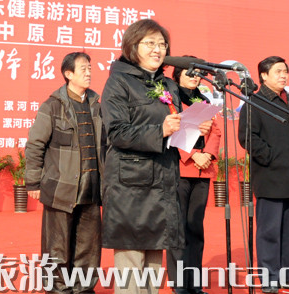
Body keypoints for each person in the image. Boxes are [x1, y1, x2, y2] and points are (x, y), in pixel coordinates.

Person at [101, 20, 211, 294]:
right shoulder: (118, 81)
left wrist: (191, 129)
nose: (157, 49)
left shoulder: (167, 85)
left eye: (162, 44)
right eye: (150, 43)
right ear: (132, 46)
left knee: (153, 264)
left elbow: (174, 136)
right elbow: (116, 132)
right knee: (132, 263)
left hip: (163, 182)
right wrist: (160, 130)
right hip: (130, 186)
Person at [24, 52, 105, 294]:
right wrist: (33, 183)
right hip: (61, 188)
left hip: (91, 188)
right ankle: (57, 289)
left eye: (90, 68)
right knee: (56, 247)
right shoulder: (52, 106)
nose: (88, 72)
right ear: (68, 74)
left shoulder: (97, 106)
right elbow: (35, 145)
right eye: (83, 68)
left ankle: (84, 289)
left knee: (88, 247)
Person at [238, 56, 289, 293]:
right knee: (269, 231)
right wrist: (270, 158)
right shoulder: (255, 102)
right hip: (270, 176)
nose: (283, 75)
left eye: (285, 71)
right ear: (263, 75)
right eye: (278, 71)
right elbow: (247, 137)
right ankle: (269, 278)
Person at [166, 61, 222, 294]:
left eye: (198, 74)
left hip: (202, 170)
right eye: (190, 73)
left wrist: (207, 154)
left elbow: (216, 131)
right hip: (180, 169)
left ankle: (195, 284)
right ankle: (179, 285)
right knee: (178, 228)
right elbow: (170, 133)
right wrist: (192, 155)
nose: (195, 77)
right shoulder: (170, 100)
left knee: (196, 228)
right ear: (178, 75)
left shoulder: (204, 101)